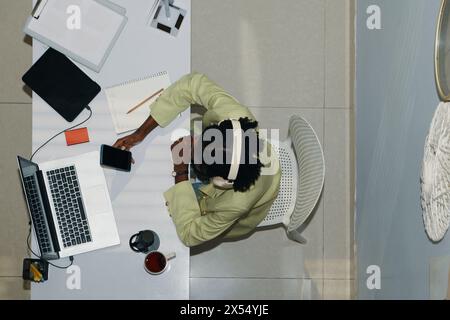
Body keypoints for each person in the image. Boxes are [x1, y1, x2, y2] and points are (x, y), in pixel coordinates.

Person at [113, 72, 281, 247]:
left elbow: (190, 235)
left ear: (222, 181)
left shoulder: (236, 203)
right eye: (200, 144)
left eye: (198, 159)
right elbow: (192, 84)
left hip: (247, 195)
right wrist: (141, 133)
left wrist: (180, 171)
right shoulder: (235, 115)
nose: (191, 149)